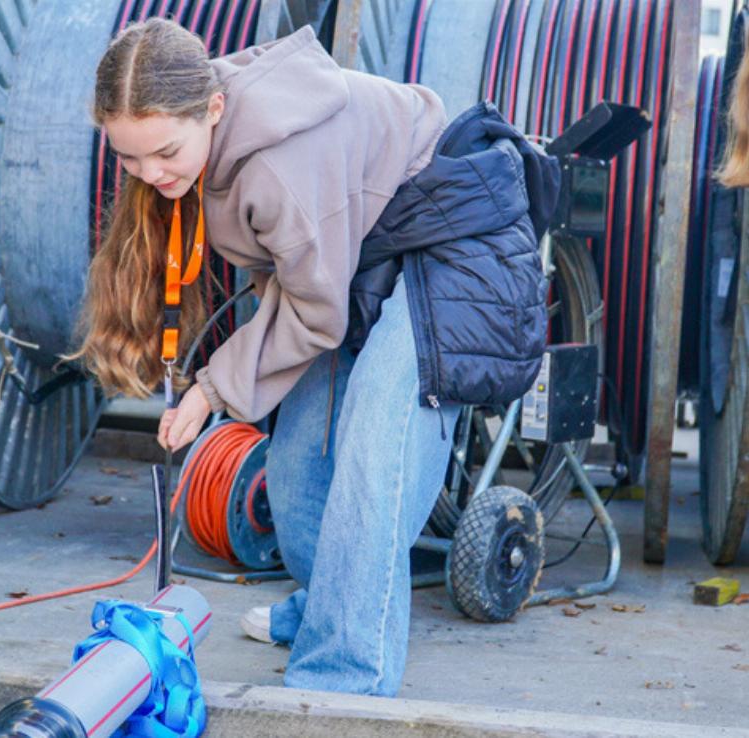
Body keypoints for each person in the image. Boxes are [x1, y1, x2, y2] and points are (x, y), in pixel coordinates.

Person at [67, 18, 554, 697]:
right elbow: (299, 288)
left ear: (211, 109)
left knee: (370, 455)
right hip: (363, 254)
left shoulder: (275, 167)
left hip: (454, 242)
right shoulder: (201, 135)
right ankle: (327, 607)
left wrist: (211, 390)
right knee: (298, 474)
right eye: (129, 159)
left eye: (164, 153)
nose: (150, 175)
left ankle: (340, 681)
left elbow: (313, 314)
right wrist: (223, 382)